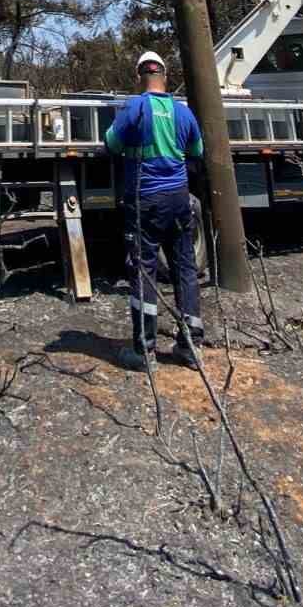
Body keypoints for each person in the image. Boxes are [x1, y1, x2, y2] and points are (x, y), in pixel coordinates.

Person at [104, 50, 205, 370]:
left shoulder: (135, 106)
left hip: (145, 200)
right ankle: (190, 346)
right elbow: (197, 150)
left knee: (144, 270)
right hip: (179, 198)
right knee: (185, 267)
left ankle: (145, 351)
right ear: (165, 76)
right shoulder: (183, 112)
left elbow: (112, 144)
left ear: (139, 78)